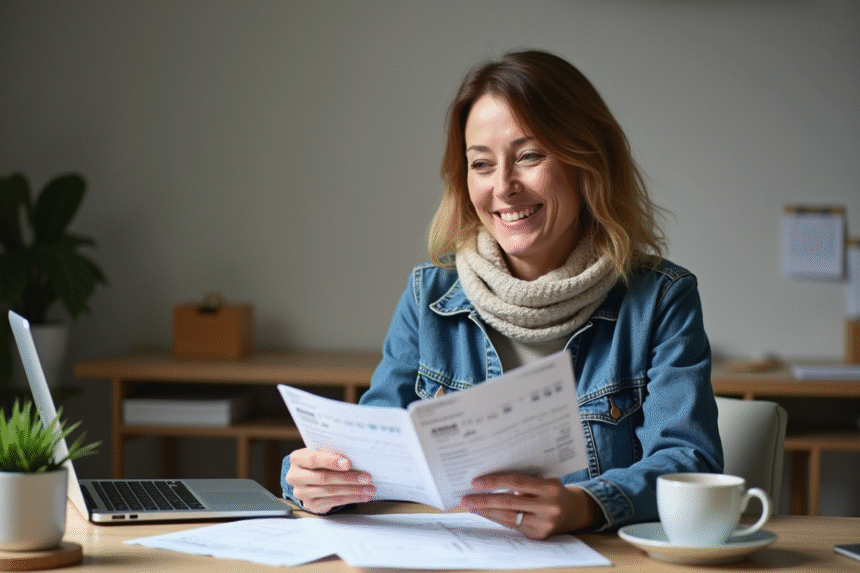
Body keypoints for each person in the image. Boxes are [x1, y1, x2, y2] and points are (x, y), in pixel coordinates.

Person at [282, 49, 722, 539]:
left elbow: (689, 462)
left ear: (588, 162)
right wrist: (312, 479)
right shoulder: (428, 296)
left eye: (530, 156)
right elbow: (371, 446)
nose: (504, 187)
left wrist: (584, 505)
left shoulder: (662, 298)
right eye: (481, 164)